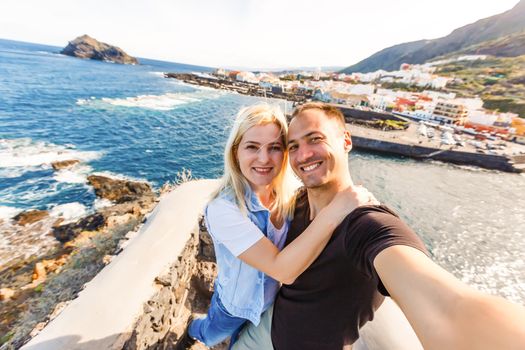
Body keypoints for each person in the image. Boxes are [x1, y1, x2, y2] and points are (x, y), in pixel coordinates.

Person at [232, 102, 525, 350]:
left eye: (315, 139)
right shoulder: (297, 202)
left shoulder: (366, 224)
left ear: (346, 141)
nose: (302, 155)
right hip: (269, 328)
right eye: (293, 146)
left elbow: (450, 309)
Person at [175, 103, 375, 349]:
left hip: (271, 305)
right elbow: (282, 270)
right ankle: (194, 328)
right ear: (236, 151)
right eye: (252, 147)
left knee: (238, 343)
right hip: (234, 305)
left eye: (275, 148)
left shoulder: (293, 197)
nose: (264, 159)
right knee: (212, 335)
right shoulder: (223, 209)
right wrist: (338, 208)